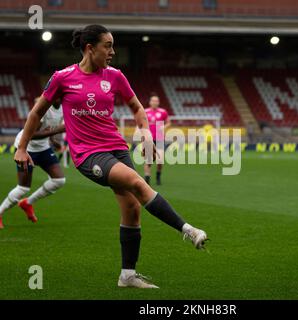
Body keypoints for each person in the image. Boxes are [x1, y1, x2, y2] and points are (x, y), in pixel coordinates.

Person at [14, 25, 208, 289]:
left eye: (113, 46)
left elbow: (137, 107)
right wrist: (22, 147)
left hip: (116, 147)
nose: (113, 52)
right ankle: (188, 230)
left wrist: (147, 134)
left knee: (132, 207)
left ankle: (127, 276)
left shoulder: (115, 76)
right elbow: (36, 113)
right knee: (139, 183)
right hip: (87, 154)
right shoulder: (62, 78)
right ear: (89, 48)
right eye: (107, 45)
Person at [0, 98, 65, 229]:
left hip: (43, 147)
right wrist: (57, 131)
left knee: (59, 180)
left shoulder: (62, 108)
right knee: (23, 188)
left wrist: (52, 140)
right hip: (26, 147)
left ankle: (27, 203)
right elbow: (31, 134)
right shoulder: (43, 108)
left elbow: (49, 127)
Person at [144, 93, 171, 185]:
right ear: (150, 102)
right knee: (149, 159)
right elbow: (141, 123)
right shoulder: (145, 111)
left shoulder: (163, 112)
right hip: (148, 138)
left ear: (158, 102)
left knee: (160, 160)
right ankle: (147, 178)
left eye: (156, 101)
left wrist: (164, 127)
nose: (155, 102)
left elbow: (168, 122)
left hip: (159, 137)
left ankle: (158, 175)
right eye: (153, 100)